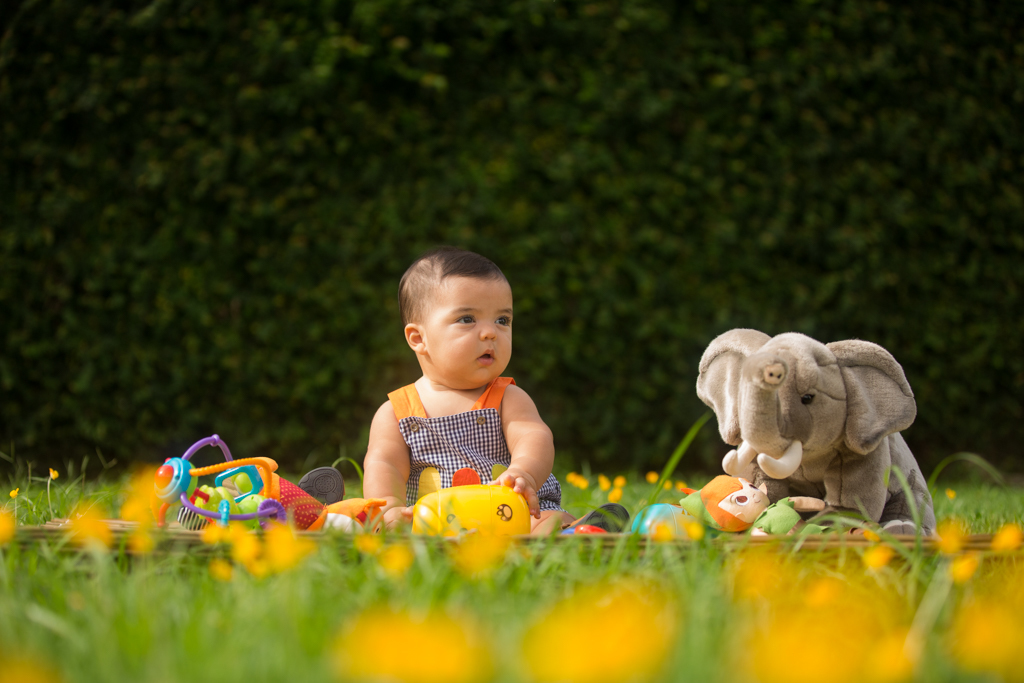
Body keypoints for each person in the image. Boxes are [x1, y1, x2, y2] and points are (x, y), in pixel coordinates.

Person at [363, 247, 615, 535]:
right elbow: (385, 464)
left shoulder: (507, 397)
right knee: (408, 529)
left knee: (547, 521)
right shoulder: (397, 412)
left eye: (502, 320)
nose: (490, 332)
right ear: (419, 338)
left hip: (513, 513)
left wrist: (525, 472)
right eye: (468, 319)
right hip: (439, 521)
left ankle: (577, 533)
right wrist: (390, 507)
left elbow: (534, 436)